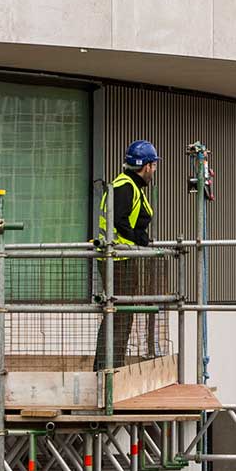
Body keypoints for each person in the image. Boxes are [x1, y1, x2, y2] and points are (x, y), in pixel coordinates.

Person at [95, 139, 161, 368]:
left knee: (120, 316)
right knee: (119, 316)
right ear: (146, 166)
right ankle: (107, 369)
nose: (154, 170)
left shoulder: (129, 185)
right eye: (153, 165)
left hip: (120, 257)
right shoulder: (125, 187)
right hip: (118, 259)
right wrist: (139, 240)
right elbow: (120, 221)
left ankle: (111, 366)